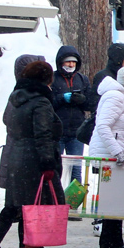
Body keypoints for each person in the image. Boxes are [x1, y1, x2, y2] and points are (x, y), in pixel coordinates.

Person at [0, 54, 49, 248]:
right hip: (25, 156)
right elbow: (39, 131)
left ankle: (24, 245)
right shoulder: (32, 98)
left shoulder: (17, 96)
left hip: (13, 155)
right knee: (22, 205)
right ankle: (22, 247)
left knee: (18, 204)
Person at [4, 59, 64, 248]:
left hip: (17, 156)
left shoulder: (17, 98)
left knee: (27, 206)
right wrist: (48, 163)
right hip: (35, 159)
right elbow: (43, 134)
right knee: (39, 207)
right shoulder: (40, 102)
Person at [90, 64, 124, 248]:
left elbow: (119, 124)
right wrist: (116, 152)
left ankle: (111, 239)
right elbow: (103, 126)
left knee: (113, 198)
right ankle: (111, 240)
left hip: (111, 154)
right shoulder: (115, 97)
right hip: (108, 156)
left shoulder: (120, 97)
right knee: (114, 198)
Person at [51, 45, 90, 186]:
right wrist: (62, 98)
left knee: (76, 169)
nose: (71, 64)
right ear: (61, 62)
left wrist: (82, 100)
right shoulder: (53, 78)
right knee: (56, 168)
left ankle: (75, 201)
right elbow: (49, 103)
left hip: (76, 132)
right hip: (57, 132)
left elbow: (90, 104)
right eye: (68, 62)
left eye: (73, 62)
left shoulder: (82, 79)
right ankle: (55, 198)